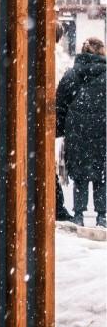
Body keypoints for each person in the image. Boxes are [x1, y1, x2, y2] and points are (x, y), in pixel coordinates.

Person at [56, 36, 106, 227]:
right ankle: (102, 216)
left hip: (77, 132)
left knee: (80, 175)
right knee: (102, 174)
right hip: (103, 131)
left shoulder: (71, 75)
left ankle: (78, 215)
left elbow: (60, 105)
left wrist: (60, 131)